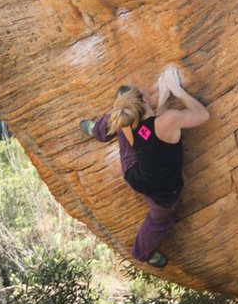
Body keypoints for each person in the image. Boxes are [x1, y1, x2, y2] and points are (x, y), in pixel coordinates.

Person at [80, 65, 209, 267]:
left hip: (135, 173)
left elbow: (152, 130)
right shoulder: (167, 121)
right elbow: (202, 115)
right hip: (163, 193)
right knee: (159, 222)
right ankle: (142, 254)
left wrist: (164, 99)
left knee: (120, 110)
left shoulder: (131, 122)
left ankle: (99, 131)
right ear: (146, 100)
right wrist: (178, 92)